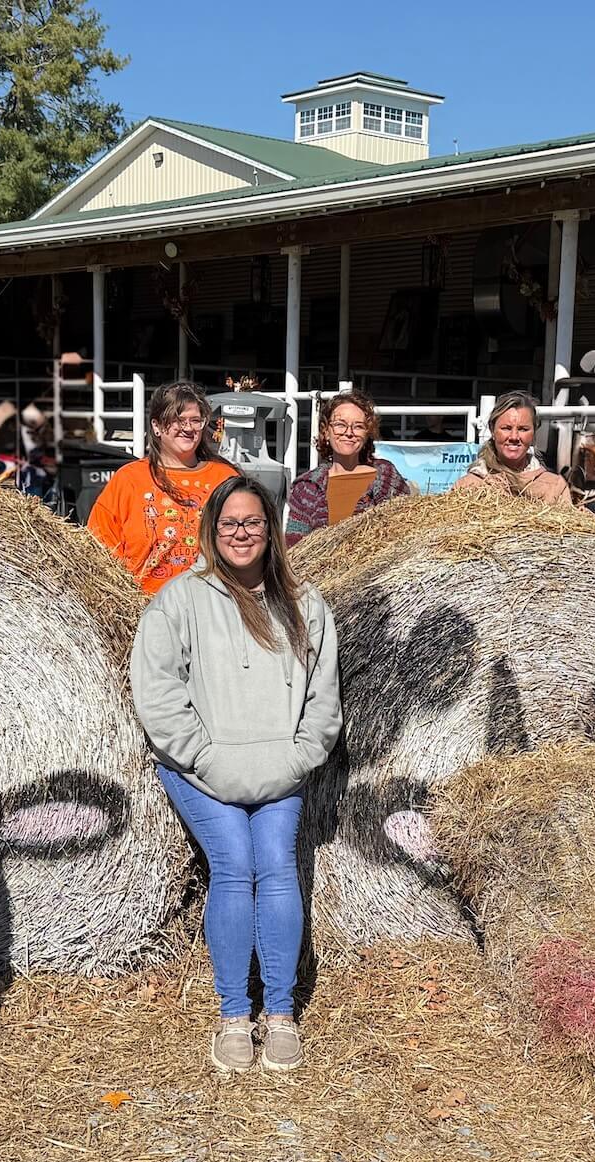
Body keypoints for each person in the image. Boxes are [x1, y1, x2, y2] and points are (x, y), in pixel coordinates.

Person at [132, 474, 341, 1072]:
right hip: (202, 766)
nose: (241, 533)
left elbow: (324, 699)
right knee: (235, 865)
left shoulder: (305, 605)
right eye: (230, 524)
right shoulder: (178, 601)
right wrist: (203, 757)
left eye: (252, 523)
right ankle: (233, 1015)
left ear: (271, 532)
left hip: (280, 766)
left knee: (275, 866)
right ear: (211, 531)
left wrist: (299, 756)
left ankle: (279, 1015)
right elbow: (157, 691)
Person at [88, 381, 241, 594]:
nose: (188, 428)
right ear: (157, 426)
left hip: (212, 608)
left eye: (195, 420)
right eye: (177, 421)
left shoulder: (225, 478)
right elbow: (98, 549)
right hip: (142, 608)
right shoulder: (129, 479)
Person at [285, 389, 413, 544]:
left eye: (358, 426)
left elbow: (408, 533)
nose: (349, 433)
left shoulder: (387, 477)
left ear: (367, 434)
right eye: (340, 425)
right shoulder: (306, 487)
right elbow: (295, 548)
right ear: (326, 432)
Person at [452, 390, 573, 504]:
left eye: (523, 429)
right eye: (506, 428)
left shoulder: (554, 487)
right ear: (492, 431)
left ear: (534, 433)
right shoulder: (468, 487)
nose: (514, 437)